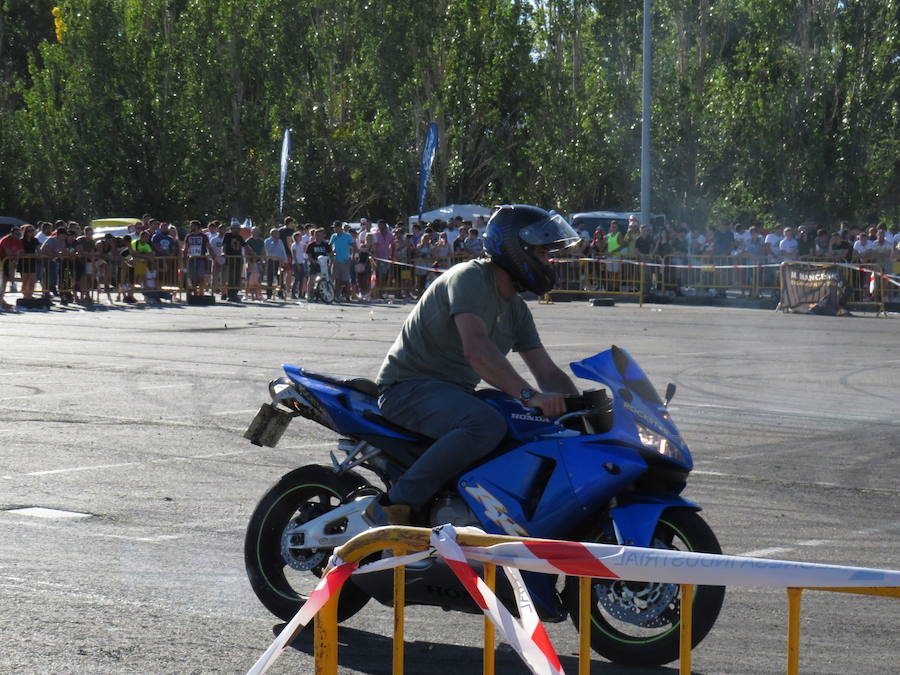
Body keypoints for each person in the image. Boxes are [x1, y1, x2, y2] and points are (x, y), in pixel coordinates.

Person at [371, 204, 581, 525]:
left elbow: (547, 371)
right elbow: (477, 348)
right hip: (407, 387)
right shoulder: (469, 278)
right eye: (541, 252)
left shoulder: (516, 309)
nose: (548, 261)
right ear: (515, 249)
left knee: (522, 425)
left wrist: (584, 409)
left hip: (453, 393)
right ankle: (394, 505)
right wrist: (528, 395)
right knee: (486, 424)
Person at [329, 220, 354, 300]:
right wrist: (331, 254)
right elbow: (329, 246)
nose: (334, 229)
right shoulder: (334, 236)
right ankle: (336, 295)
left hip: (345, 260)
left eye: (336, 227)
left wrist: (353, 256)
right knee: (337, 279)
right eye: (334, 228)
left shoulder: (347, 236)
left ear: (340, 227)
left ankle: (347, 296)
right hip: (336, 260)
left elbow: (354, 245)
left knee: (346, 280)